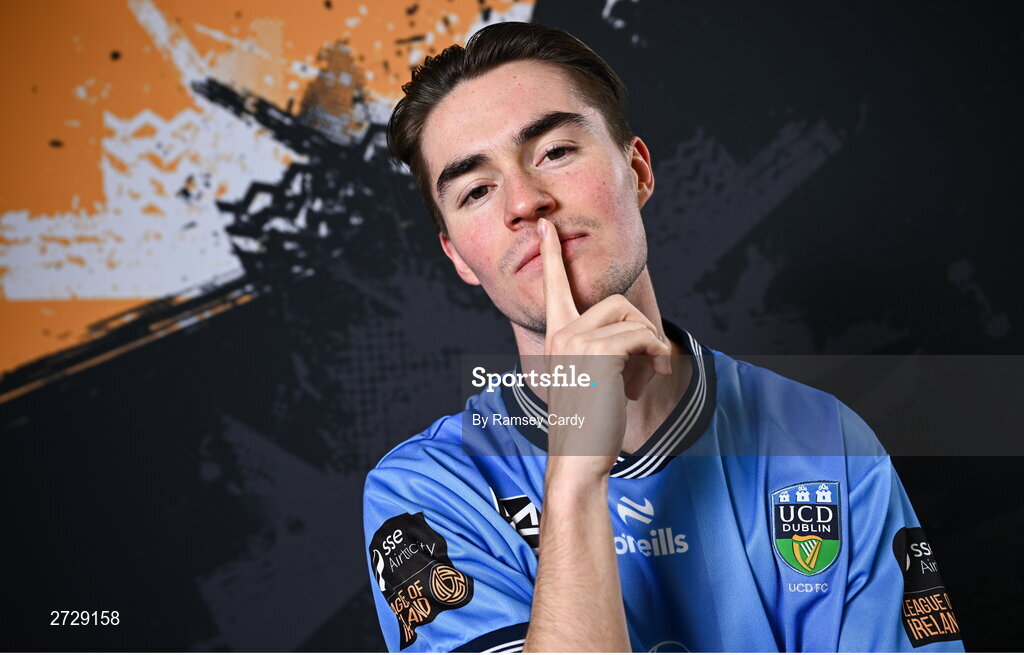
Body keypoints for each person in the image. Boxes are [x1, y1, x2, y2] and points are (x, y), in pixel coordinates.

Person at [363, 21, 963, 653]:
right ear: (458, 255)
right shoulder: (424, 494)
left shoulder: (826, 442)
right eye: (477, 189)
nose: (526, 202)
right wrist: (574, 477)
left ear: (638, 170)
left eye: (555, 153)